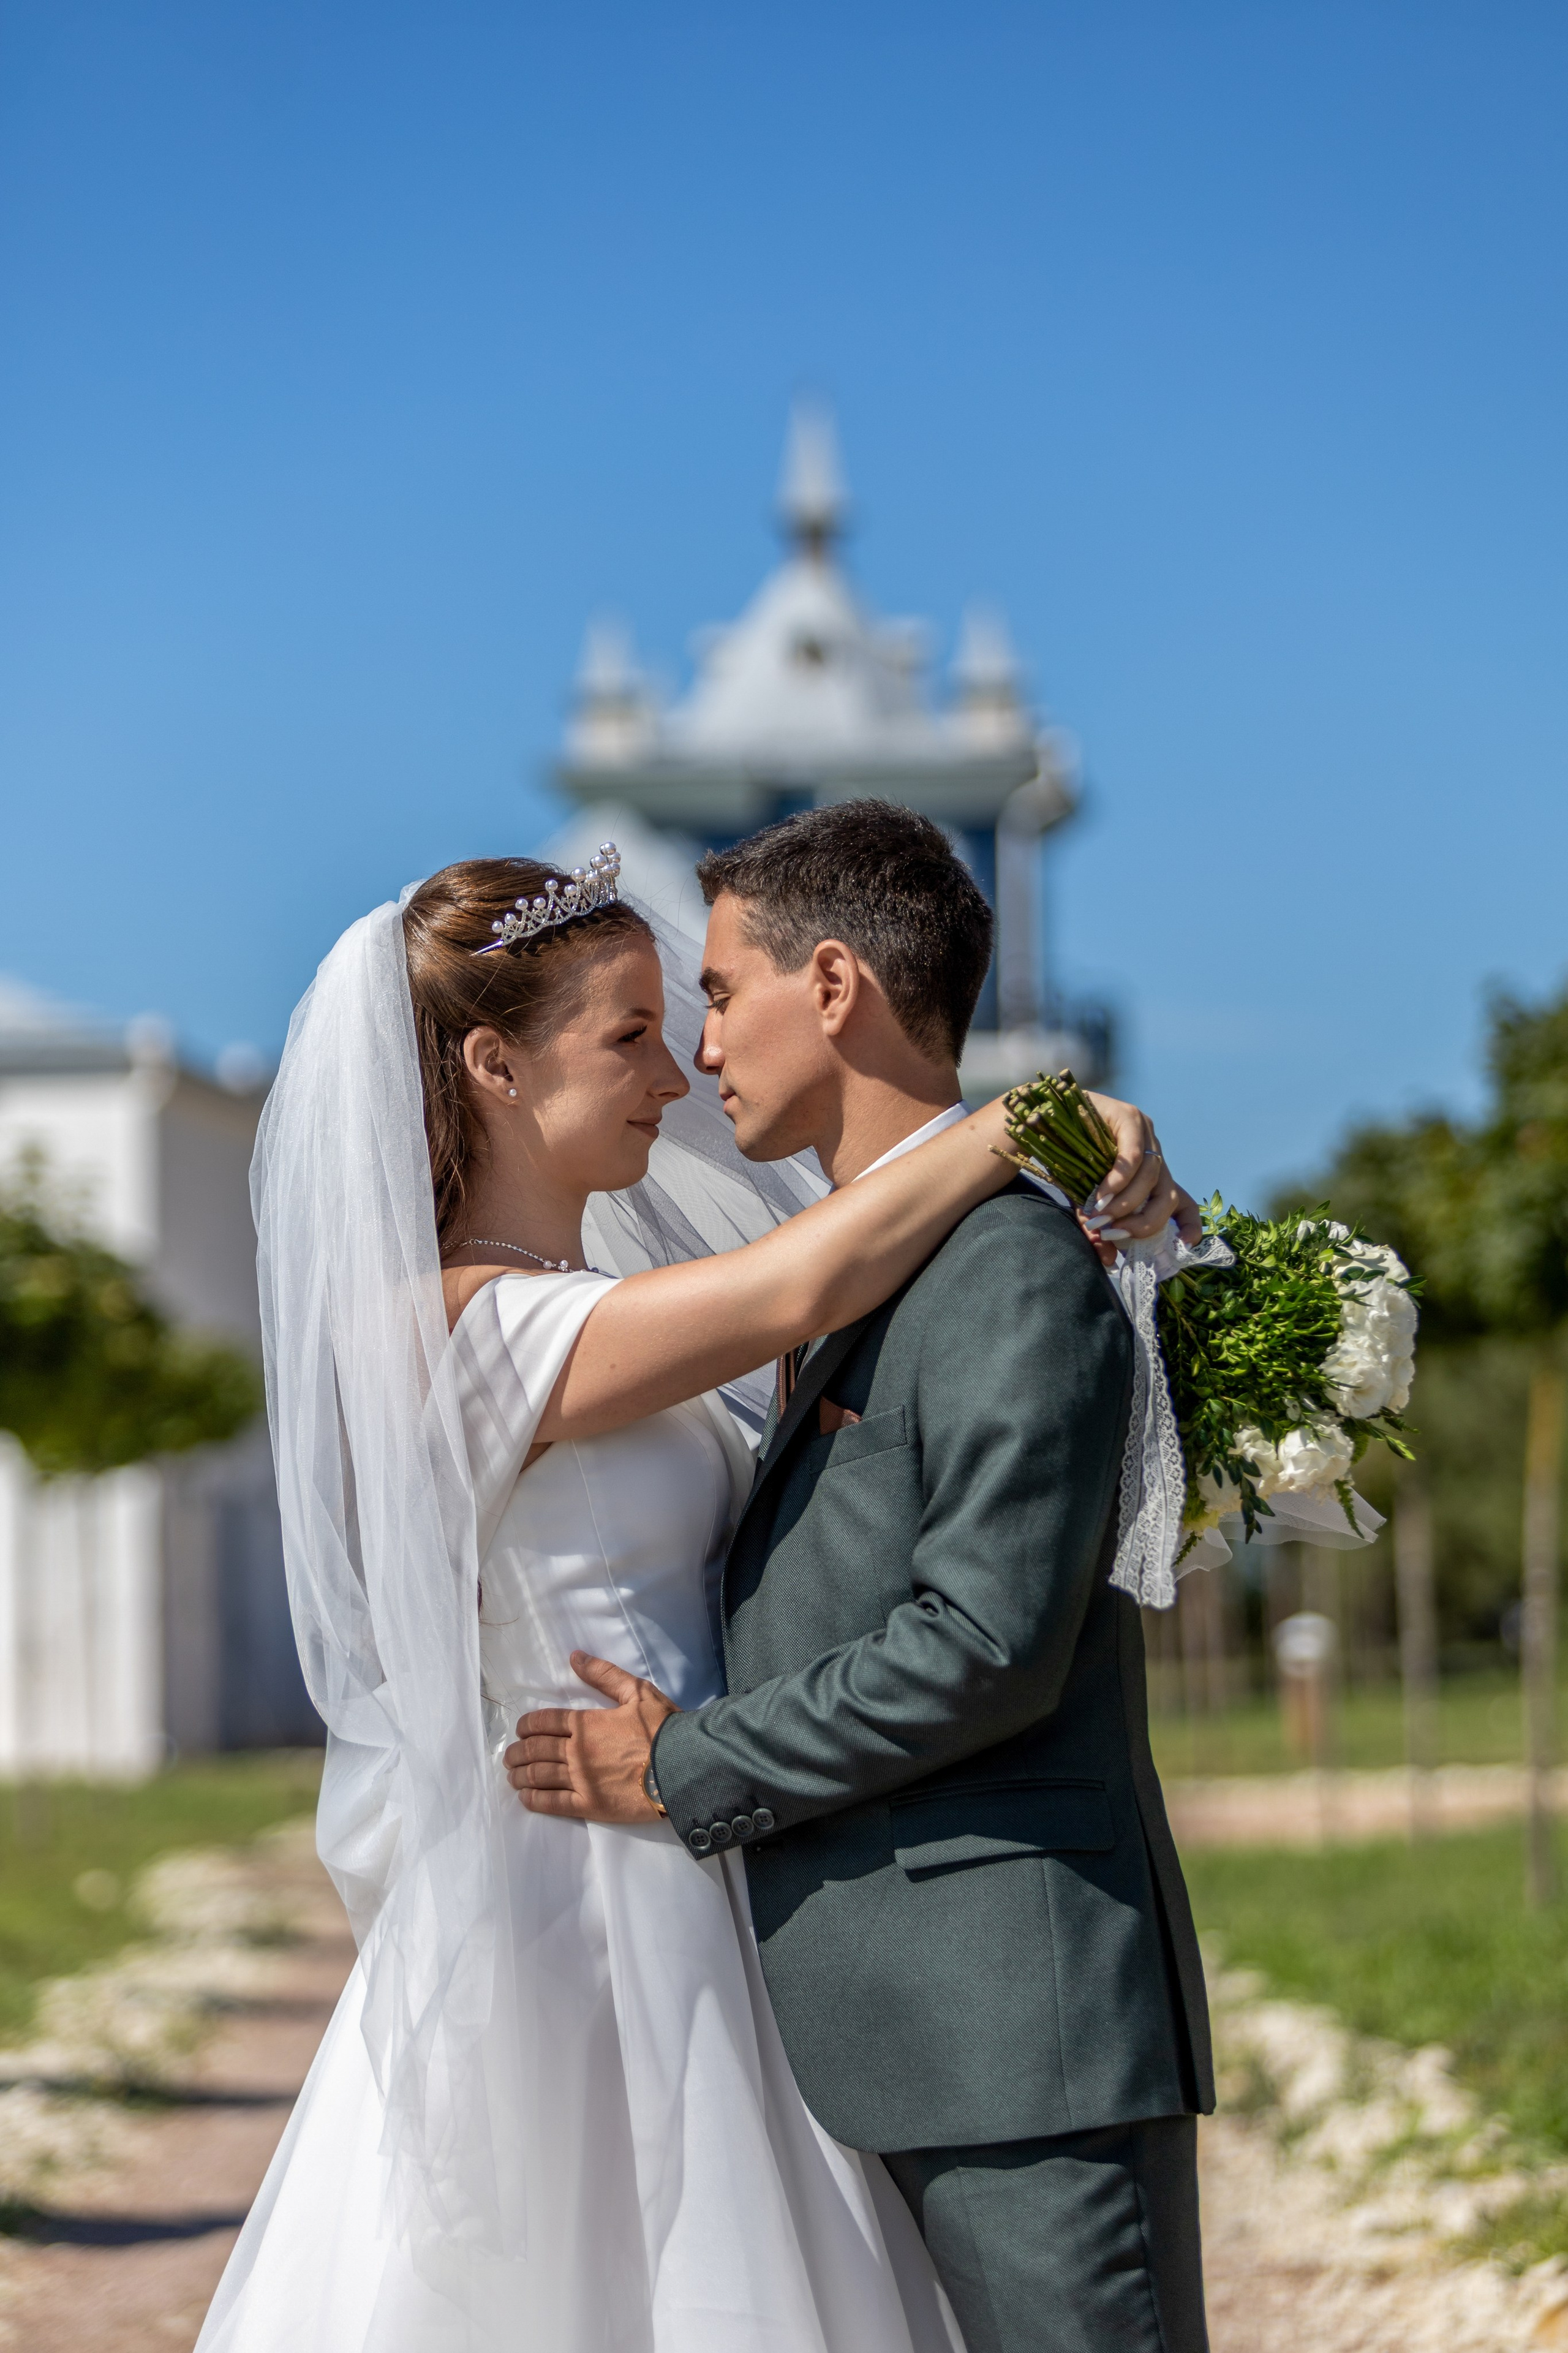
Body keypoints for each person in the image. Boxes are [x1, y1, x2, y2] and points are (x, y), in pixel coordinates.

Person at [196, 833, 1182, 2353]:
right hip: (578, 1895)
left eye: (685, 1016)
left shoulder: (606, 1309)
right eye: (630, 1035)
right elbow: (796, 1286)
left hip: (707, 1847)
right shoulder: (452, 1329)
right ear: (494, 1069)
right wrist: (1025, 1127)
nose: (680, 1072)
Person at [507, 803, 1214, 2353]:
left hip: (1011, 2030)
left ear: (830, 985)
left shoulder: (1009, 1266)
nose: (698, 1052)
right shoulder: (881, 1261)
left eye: (712, 991)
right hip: (887, 2016)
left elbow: (982, 1644)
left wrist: (677, 1762)